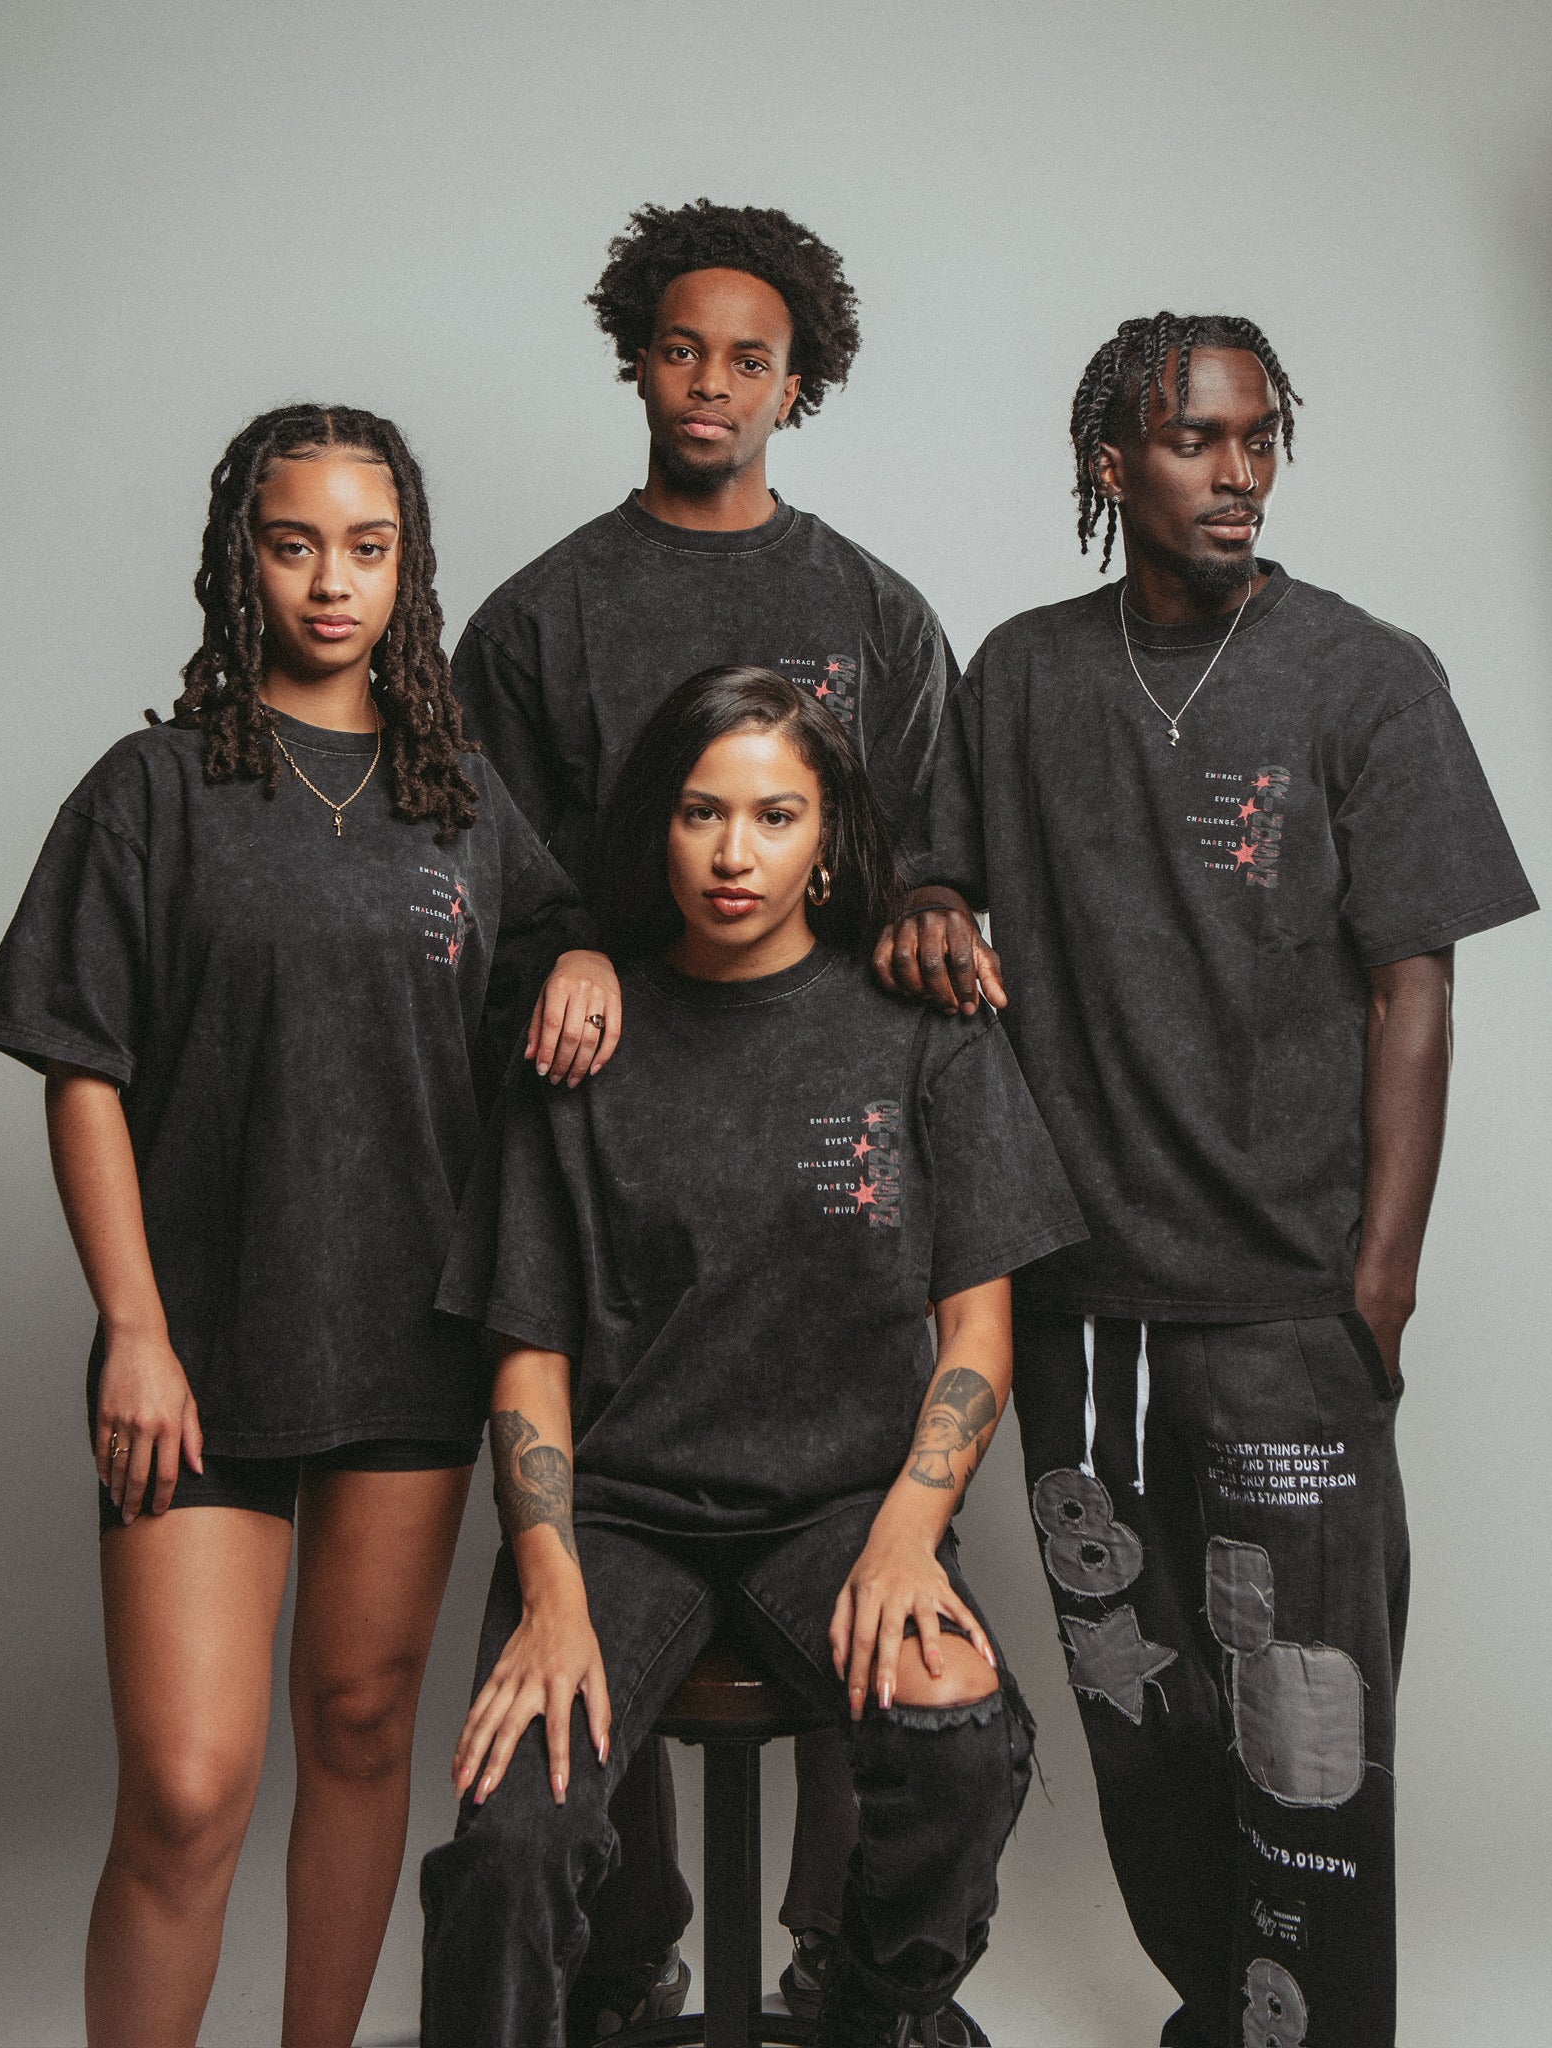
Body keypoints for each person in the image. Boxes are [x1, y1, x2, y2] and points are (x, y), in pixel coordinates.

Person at [880, 314, 1538, 2047]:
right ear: (1112, 465)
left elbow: (1413, 985)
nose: (1236, 471)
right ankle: (1214, 2018)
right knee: (1145, 1715)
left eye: (1257, 439)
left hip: (1281, 1304)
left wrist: (1377, 1283)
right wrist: (930, 904)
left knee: (1304, 1739)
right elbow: (928, 883)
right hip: (1078, 1302)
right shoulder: (1021, 674)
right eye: (1194, 440)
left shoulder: (1363, 673)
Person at [0, 405, 599, 2048]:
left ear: (408, 568)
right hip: (199, 1350)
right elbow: (81, 1069)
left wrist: (588, 955)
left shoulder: (461, 799)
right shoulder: (154, 788)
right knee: (186, 1789)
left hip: (409, 1338)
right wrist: (135, 1332)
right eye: (294, 543)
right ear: (237, 559)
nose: (331, 583)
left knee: (365, 1726)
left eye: (367, 549)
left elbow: (558, 950)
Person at [453, 197, 962, 2035]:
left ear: (795, 385)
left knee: (862, 1564)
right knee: (616, 1560)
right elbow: (484, 869)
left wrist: (921, 913)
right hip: (614, 1080)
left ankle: (842, 1970)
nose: (710, 385)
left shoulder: (870, 612)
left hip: (825, 1104)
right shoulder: (543, 616)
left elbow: (928, 853)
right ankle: (622, 1966)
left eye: (748, 359)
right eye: (680, 349)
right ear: (635, 360)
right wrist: (571, 950)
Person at [420, 666, 1086, 2048]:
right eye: (701, 813)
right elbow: (529, 1360)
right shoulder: (581, 1043)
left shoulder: (922, 1033)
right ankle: (592, 1988)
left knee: (958, 1738)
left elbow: (977, 1330)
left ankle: (872, 2003)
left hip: (841, 1508)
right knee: (513, 1836)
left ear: (828, 838)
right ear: (655, 832)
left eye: (775, 816)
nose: (735, 854)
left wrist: (908, 1533)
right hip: (621, 1516)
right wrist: (549, 1594)